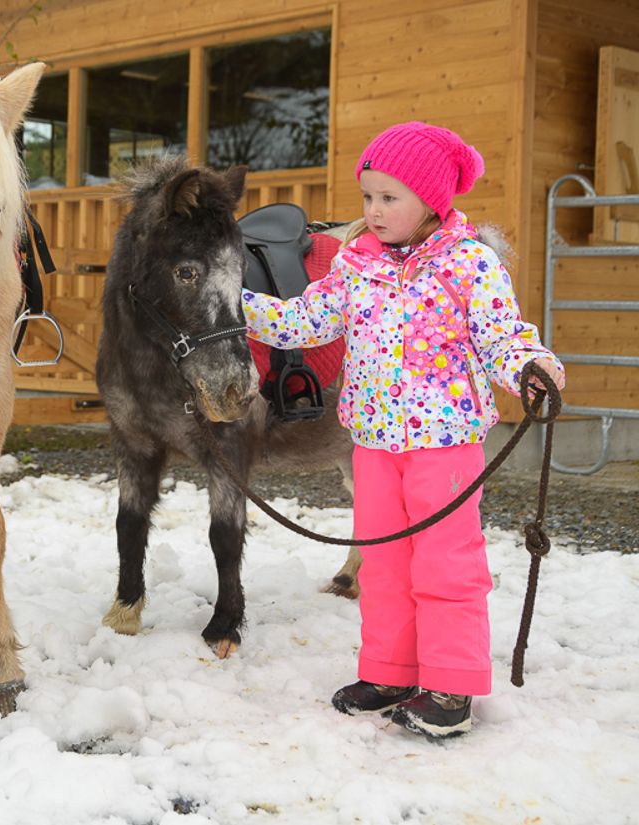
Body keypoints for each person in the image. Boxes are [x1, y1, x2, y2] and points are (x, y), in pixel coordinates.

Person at [241, 121, 565, 740]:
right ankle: (389, 671)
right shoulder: (356, 264)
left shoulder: (469, 264)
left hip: (444, 443)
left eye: (389, 198)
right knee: (384, 562)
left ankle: (450, 684)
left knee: (445, 561)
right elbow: (305, 321)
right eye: (368, 197)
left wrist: (530, 367)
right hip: (372, 442)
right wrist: (233, 300)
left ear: (431, 200)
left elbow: (503, 335)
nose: (374, 210)